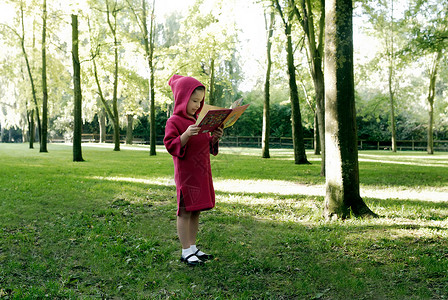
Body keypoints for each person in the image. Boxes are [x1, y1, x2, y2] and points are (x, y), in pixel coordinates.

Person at [164, 75, 223, 266]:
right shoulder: (174, 121)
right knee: (185, 211)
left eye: (201, 101)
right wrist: (186, 134)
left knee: (197, 210)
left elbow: (204, 144)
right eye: (194, 101)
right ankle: (184, 250)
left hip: (201, 172)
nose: (198, 105)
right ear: (182, 98)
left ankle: (192, 247)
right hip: (187, 175)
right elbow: (171, 145)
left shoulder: (200, 120)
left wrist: (214, 138)